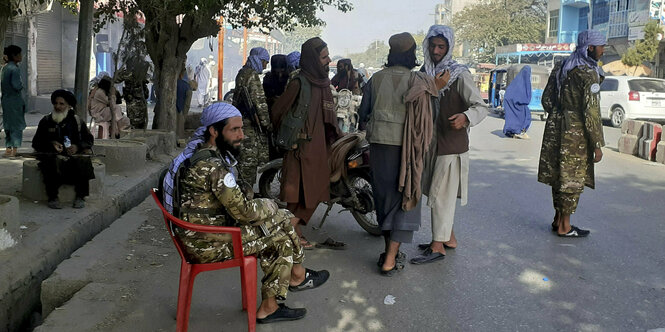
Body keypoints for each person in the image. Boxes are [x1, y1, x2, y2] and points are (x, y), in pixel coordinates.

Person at [162, 102, 329, 323]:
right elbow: (244, 212)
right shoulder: (213, 167)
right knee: (282, 228)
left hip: (202, 234)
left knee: (282, 225)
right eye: (234, 129)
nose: (242, 135)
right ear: (214, 131)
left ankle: (286, 288)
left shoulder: (202, 155)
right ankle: (290, 283)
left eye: (242, 128)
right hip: (207, 244)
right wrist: (270, 205)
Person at [358, 32, 446, 276]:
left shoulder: (375, 79)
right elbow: (433, 116)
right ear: (411, 53)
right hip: (408, 149)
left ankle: (390, 252)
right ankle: (390, 257)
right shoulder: (420, 81)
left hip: (379, 147)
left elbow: (363, 113)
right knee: (406, 196)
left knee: (385, 198)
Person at [411, 25, 488, 265]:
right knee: (435, 192)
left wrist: (466, 117)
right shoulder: (425, 73)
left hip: (451, 146)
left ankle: (438, 246)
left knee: (440, 196)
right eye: (432, 46)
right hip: (430, 144)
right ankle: (448, 238)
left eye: (441, 47)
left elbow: (480, 106)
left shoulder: (459, 73)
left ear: (449, 47)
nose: (436, 50)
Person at [271, 37, 342, 249]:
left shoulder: (323, 83)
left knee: (308, 191)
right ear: (312, 59)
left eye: (328, 56)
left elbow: (329, 119)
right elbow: (278, 111)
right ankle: (288, 230)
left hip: (319, 147)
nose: (328, 60)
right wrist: (291, 135)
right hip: (300, 148)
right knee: (308, 191)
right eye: (324, 57)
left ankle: (293, 231)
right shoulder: (299, 83)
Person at [539, 30, 606, 238]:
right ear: (590, 48)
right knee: (572, 177)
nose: (603, 50)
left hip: (555, 128)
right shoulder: (588, 73)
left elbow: (546, 100)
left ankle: (557, 218)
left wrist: (559, 115)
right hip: (575, 131)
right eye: (601, 46)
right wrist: (597, 144)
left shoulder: (562, 66)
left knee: (558, 174)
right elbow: (591, 111)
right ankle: (565, 226)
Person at [32, 90, 95, 209]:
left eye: (62, 104)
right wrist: (51, 144)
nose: (58, 106)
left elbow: (89, 140)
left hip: (73, 157)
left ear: (68, 106)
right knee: (49, 162)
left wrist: (77, 147)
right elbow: (36, 143)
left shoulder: (77, 121)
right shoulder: (46, 121)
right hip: (53, 157)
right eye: (56, 103)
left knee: (83, 161)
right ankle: (53, 197)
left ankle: (80, 197)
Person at [232, 47, 271, 189]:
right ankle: (245, 197)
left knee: (243, 162)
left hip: (240, 122)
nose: (265, 66)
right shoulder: (252, 76)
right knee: (249, 162)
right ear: (258, 59)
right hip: (249, 126)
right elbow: (259, 102)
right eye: (264, 62)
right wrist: (267, 124)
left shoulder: (241, 73)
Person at [1, 45, 26, 158]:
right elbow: (17, 85)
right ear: (14, 56)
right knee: (16, 125)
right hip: (14, 101)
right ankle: (14, 151)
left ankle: (8, 149)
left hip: (6, 100)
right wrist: (21, 86)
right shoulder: (14, 69)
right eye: (19, 54)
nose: (21, 56)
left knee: (8, 124)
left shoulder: (5, 68)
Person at [115, 60, 150, 129]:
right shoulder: (142, 73)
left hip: (133, 101)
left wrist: (120, 71)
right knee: (141, 122)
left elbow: (116, 79)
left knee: (133, 122)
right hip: (141, 101)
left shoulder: (129, 73)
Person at [502, 65, 532, 139]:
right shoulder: (525, 82)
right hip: (519, 104)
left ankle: (511, 131)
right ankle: (520, 131)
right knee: (525, 116)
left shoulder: (515, 83)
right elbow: (525, 97)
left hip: (511, 103)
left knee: (511, 117)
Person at [176, 66, 193, 139]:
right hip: (180, 111)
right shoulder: (187, 86)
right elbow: (187, 104)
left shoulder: (174, 83)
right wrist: (184, 115)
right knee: (179, 130)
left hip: (173, 109)